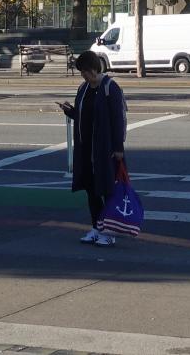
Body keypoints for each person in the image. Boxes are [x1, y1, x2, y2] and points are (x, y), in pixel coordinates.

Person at [60, 51, 126, 246]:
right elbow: (83, 116)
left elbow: (118, 119)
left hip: (105, 149)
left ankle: (109, 232)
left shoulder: (110, 87)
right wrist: (70, 112)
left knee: (107, 189)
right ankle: (96, 227)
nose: (84, 76)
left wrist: (118, 147)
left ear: (94, 69)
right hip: (86, 148)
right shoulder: (84, 88)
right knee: (92, 189)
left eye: (85, 72)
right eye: (82, 72)